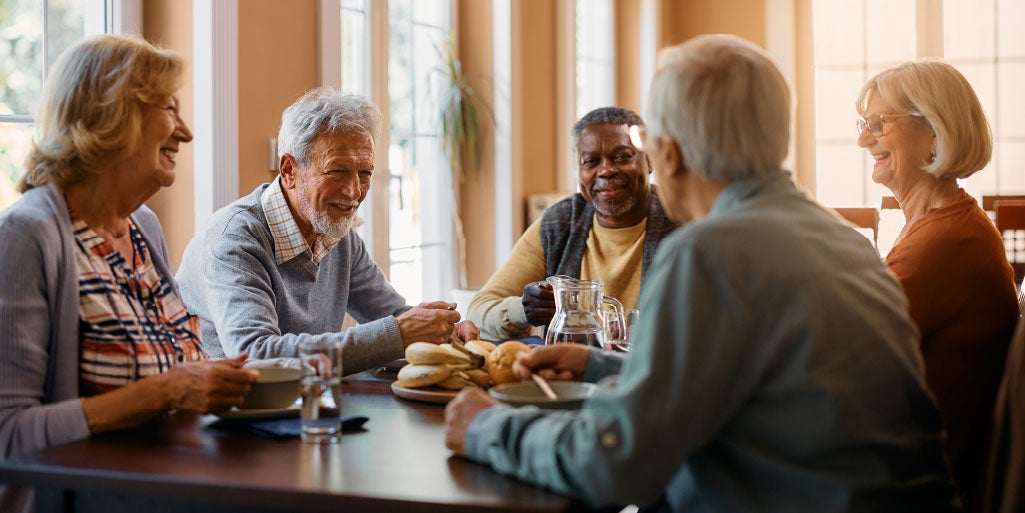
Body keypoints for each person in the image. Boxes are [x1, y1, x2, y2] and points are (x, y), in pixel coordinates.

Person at [445, 34, 961, 513]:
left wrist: (487, 428)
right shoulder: (848, 242)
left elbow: (615, 463)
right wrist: (599, 365)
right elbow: (757, 388)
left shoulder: (708, 255)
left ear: (666, 155)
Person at [0, 35, 259, 513]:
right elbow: (9, 434)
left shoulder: (144, 227)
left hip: (170, 486)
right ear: (112, 115)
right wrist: (164, 392)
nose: (185, 131)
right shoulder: (28, 235)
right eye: (169, 108)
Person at [175, 87, 478, 374]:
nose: (354, 191)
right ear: (289, 171)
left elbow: (393, 314)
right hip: (224, 419)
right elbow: (256, 354)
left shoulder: (336, 233)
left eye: (365, 173)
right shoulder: (234, 240)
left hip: (306, 407)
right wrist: (397, 333)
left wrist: (445, 330)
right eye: (337, 171)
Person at [855, 60, 1019, 510]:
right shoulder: (944, 225)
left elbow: (843, 358)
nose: (863, 139)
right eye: (865, 124)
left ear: (933, 133)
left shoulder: (944, 241)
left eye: (879, 124)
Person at [467, 107, 679, 341]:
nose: (606, 170)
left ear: (649, 161)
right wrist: (524, 311)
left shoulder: (682, 220)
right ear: (580, 172)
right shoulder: (559, 224)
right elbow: (478, 312)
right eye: (591, 161)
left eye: (622, 156)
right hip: (566, 374)